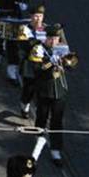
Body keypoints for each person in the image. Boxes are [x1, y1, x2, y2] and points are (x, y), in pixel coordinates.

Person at [30, 24, 78, 165]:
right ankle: (38, 140)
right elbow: (37, 70)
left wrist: (66, 62)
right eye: (51, 39)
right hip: (45, 90)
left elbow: (71, 66)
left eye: (56, 39)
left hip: (60, 90)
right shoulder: (38, 49)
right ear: (46, 38)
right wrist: (50, 63)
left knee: (57, 121)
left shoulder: (62, 49)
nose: (54, 42)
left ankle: (56, 149)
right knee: (42, 116)